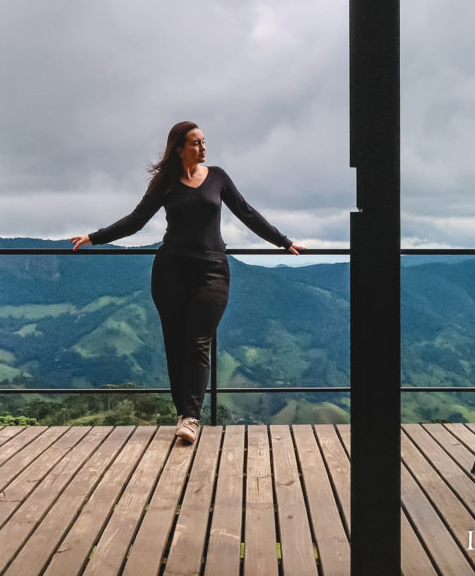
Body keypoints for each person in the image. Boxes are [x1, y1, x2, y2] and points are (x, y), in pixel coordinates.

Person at [70, 121, 304, 443]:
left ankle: (192, 417)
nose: (203, 148)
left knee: (198, 341)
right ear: (179, 148)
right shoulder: (165, 182)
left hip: (212, 272)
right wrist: (93, 237)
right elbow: (136, 221)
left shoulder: (218, 177)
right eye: (196, 143)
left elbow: (247, 213)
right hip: (170, 272)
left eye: (204, 142)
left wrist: (283, 241)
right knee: (174, 342)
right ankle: (183, 414)